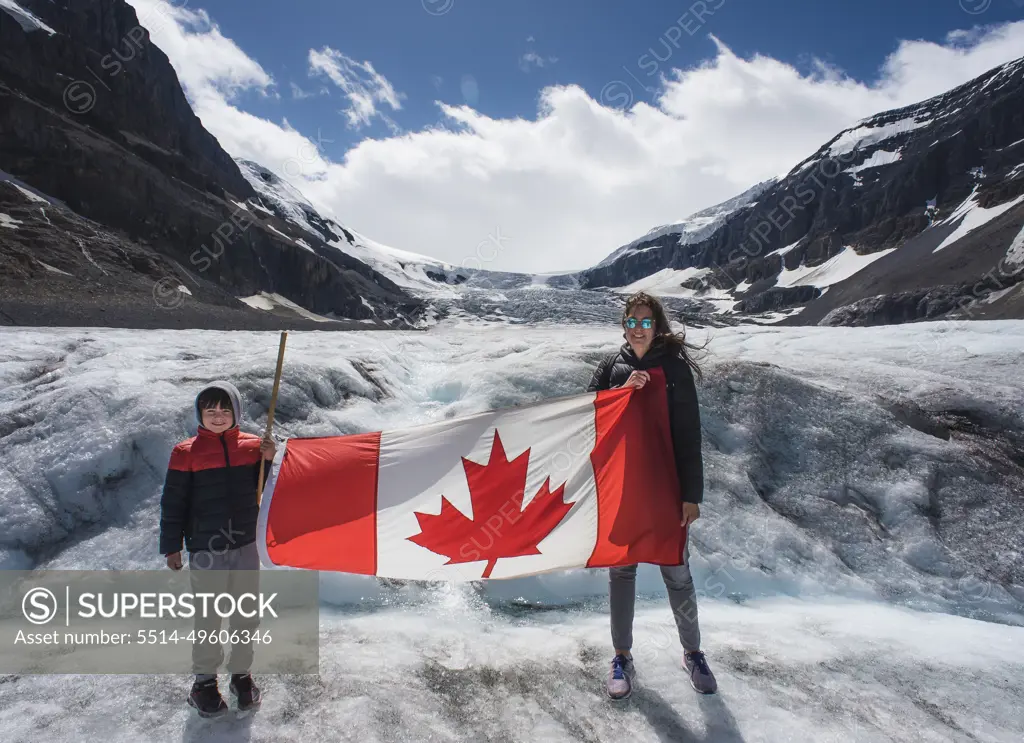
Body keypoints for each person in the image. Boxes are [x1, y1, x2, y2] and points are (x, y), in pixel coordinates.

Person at [587, 291, 717, 700]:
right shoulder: (611, 366)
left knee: (676, 571)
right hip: (622, 486)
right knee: (621, 570)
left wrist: (690, 494)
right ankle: (622, 656)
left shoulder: (675, 370)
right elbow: (585, 412)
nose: (639, 328)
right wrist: (621, 391)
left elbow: (688, 433)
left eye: (646, 322)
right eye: (632, 321)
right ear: (623, 325)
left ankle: (693, 652)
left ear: (657, 326)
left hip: (665, 485)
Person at [159, 381, 276, 717]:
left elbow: (268, 487)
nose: (218, 416)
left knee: (246, 614)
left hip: (246, 544)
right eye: (210, 410)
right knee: (209, 617)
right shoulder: (186, 453)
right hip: (205, 548)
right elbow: (173, 502)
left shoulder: (254, 446)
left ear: (236, 412)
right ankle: (204, 684)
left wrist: (268, 459)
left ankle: (241, 675)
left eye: (225, 410)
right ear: (200, 414)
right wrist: (172, 546)